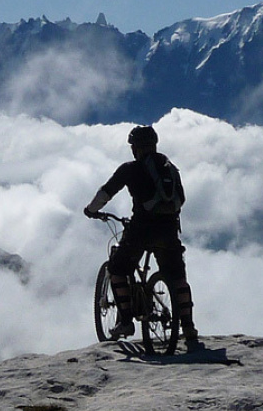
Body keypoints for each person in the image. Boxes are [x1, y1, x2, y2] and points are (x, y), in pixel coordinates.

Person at [84, 125, 198, 344]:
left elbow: (106, 192)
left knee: (117, 268)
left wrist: (91, 210)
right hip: (170, 230)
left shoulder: (130, 169)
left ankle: (126, 321)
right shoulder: (170, 169)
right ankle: (189, 327)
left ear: (134, 148)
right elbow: (180, 199)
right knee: (177, 278)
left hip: (141, 230)